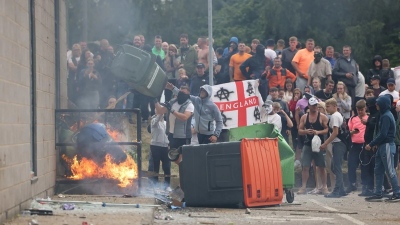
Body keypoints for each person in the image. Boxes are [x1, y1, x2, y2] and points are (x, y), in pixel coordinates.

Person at [365, 95, 400, 201]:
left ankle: (397, 193)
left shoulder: (386, 116)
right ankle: (378, 193)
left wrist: (371, 144)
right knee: (378, 170)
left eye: (378, 103)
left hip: (387, 145)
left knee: (390, 170)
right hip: (382, 145)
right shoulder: (385, 114)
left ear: (382, 104)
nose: (376, 105)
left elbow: (383, 134)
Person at [297, 97, 329, 195]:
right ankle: (303, 186)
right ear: (309, 106)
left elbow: (327, 129)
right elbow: (299, 130)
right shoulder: (304, 117)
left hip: (319, 143)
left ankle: (325, 186)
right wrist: (306, 131)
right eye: (313, 105)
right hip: (308, 143)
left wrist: (318, 132)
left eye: (316, 105)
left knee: (321, 166)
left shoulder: (322, 116)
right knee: (305, 166)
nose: (315, 107)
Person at [154, 86, 193, 163]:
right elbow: (160, 111)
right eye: (180, 92)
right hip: (171, 134)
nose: (181, 94)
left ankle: (186, 173)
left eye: (184, 93)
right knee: (174, 158)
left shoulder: (189, 105)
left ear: (188, 94)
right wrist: (155, 100)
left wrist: (172, 110)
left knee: (183, 158)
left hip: (183, 136)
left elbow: (184, 117)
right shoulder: (173, 101)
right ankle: (183, 171)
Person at [321, 98, 347, 198]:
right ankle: (342, 189)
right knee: (334, 166)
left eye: (328, 106)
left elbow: (335, 132)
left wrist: (325, 143)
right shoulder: (337, 115)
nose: (326, 108)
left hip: (339, 143)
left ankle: (337, 190)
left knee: (337, 167)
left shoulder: (335, 116)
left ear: (334, 106)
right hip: (340, 143)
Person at [346, 100, 368, 193]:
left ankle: (365, 184)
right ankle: (352, 183)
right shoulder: (353, 118)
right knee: (351, 164)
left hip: (364, 144)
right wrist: (352, 132)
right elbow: (348, 132)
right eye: (358, 110)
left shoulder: (368, 118)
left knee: (364, 165)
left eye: (362, 110)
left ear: (365, 108)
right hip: (355, 144)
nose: (360, 112)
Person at [359, 97, 377, 197]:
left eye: (368, 105)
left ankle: (380, 187)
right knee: (366, 167)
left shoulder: (377, 115)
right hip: (367, 144)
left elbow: (376, 126)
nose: (367, 107)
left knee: (373, 167)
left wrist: (368, 123)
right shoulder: (371, 115)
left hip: (373, 145)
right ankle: (368, 188)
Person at [149, 109, 171, 189]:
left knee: (166, 167)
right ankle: (155, 185)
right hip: (155, 146)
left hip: (165, 146)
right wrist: (160, 112)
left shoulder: (165, 123)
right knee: (156, 166)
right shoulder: (154, 121)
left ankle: (167, 185)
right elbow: (157, 119)